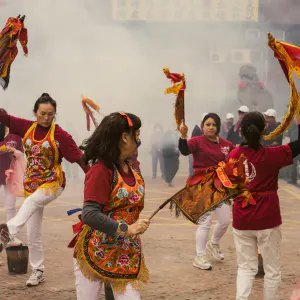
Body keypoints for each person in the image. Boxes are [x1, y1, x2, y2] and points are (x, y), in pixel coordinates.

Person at [0, 93, 89, 286]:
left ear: (54, 114)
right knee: (33, 233)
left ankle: (8, 231)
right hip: (32, 184)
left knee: (30, 202)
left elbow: (79, 159)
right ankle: (38, 270)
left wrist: (91, 177)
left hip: (53, 183)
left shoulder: (60, 135)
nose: (46, 118)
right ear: (35, 112)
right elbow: (4, 118)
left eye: (51, 114)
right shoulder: (26, 127)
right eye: (43, 113)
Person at [72, 112, 149, 300]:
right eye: (136, 134)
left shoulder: (132, 167)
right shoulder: (101, 170)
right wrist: (127, 228)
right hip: (96, 251)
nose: (139, 140)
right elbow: (89, 214)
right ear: (124, 137)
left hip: (126, 252)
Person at [228, 111, 300, 300]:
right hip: (268, 218)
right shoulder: (271, 155)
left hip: (242, 218)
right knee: (272, 270)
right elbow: (297, 146)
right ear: (264, 130)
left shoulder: (233, 156)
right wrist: (299, 125)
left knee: (245, 268)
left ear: (241, 131)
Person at [178, 113, 234, 270]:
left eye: (214, 124)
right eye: (208, 124)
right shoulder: (196, 141)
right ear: (202, 126)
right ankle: (200, 256)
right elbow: (184, 150)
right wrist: (183, 136)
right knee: (206, 222)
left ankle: (213, 243)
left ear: (218, 127)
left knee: (225, 221)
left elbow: (237, 156)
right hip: (201, 186)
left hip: (220, 186)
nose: (211, 127)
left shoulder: (226, 144)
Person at [0, 109, 24, 221]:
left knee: (10, 206)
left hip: (10, 175)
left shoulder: (15, 135)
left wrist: (13, 151)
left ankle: (11, 234)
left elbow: (21, 153)